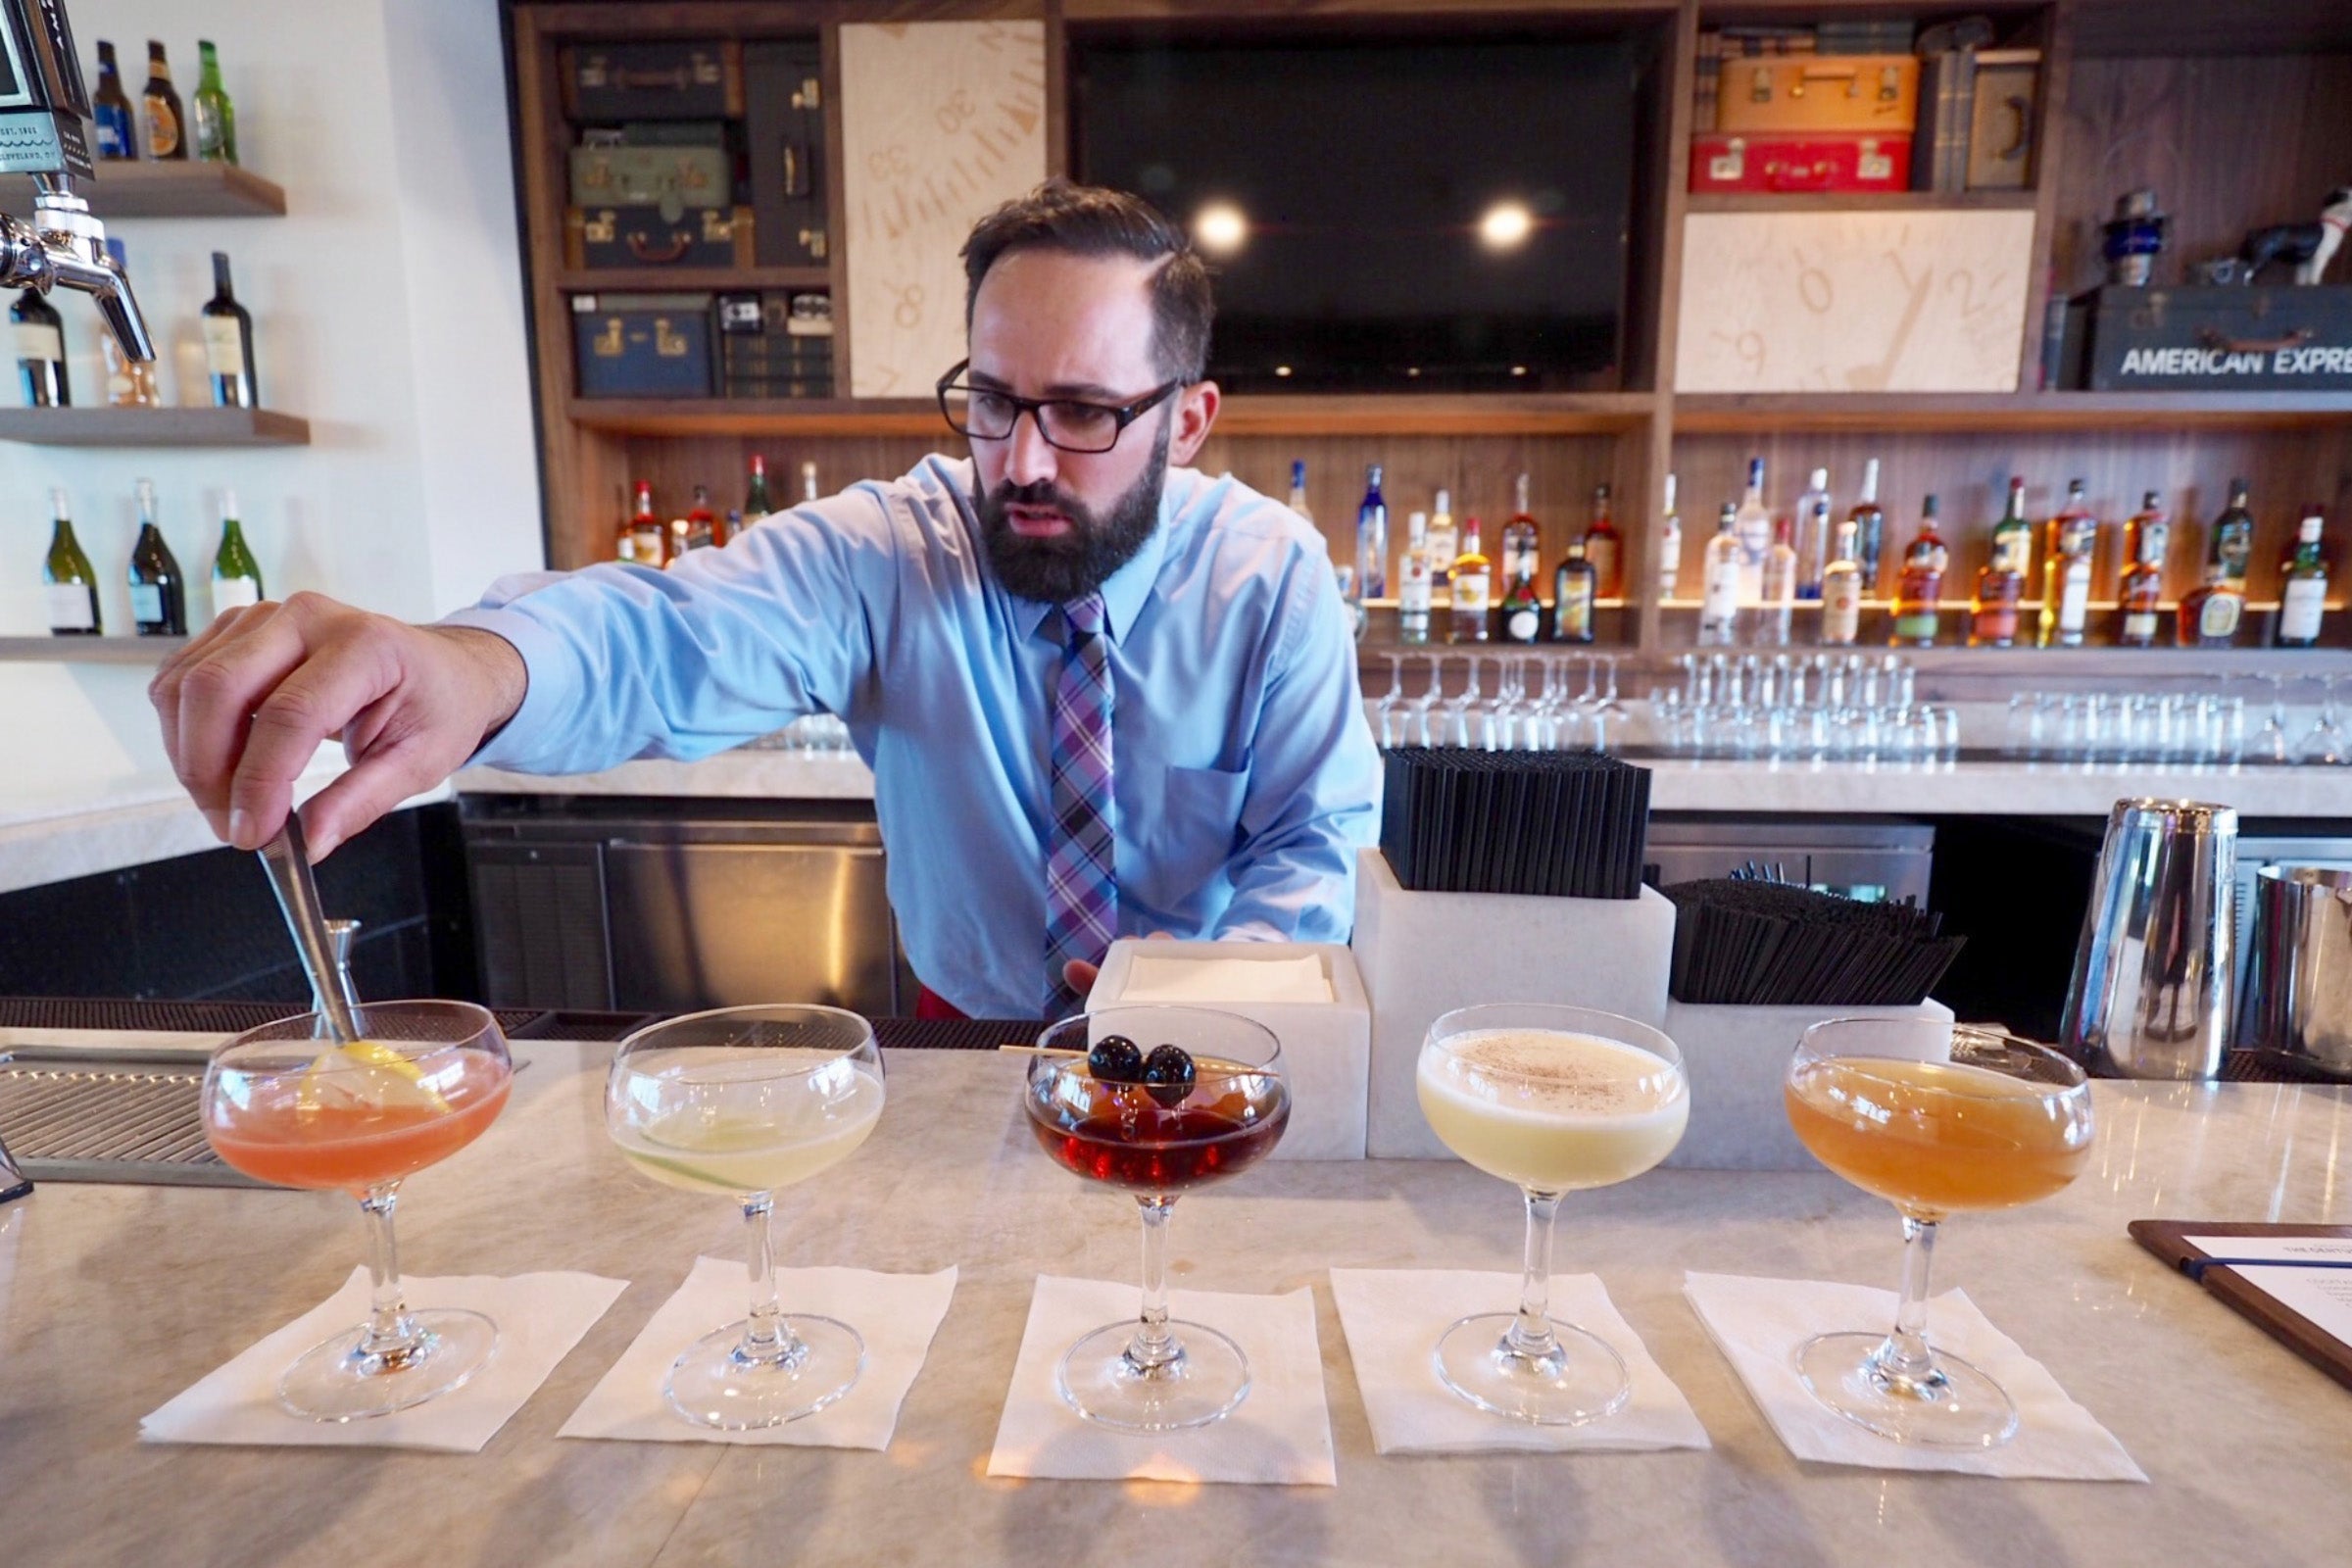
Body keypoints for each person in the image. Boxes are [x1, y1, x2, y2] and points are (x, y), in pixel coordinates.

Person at [148, 179, 1381, 1020]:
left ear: (1192, 421)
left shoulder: (1271, 578)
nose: (1024, 461)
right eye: (997, 400)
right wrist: (477, 667)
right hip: (962, 1034)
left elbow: (1313, 847)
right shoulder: (895, 547)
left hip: (1216, 1042)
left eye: (1087, 412)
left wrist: (1197, 1029)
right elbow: (676, 634)